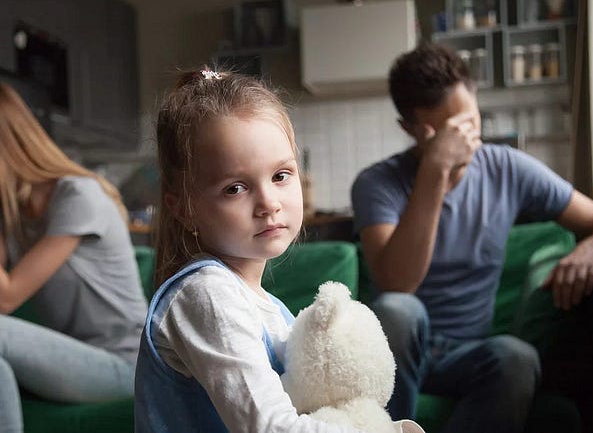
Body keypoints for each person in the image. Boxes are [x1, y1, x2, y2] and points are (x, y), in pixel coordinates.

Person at [351, 43, 593, 433]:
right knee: (398, 308)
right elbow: (399, 283)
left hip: (465, 354)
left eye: (468, 123)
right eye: (446, 132)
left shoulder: (507, 169)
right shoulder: (376, 183)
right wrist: (435, 172)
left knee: (517, 356)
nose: (462, 141)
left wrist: (589, 249)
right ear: (410, 129)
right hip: (397, 351)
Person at [134, 69, 418, 433]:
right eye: (235, 188)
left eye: (281, 175)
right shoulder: (206, 296)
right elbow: (270, 428)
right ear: (184, 207)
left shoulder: (269, 309)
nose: (269, 202)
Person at [0, 77, 148, 433]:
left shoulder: (77, 196)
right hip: (73, 358)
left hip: (128, 365)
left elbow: (0, 299)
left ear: (10, 131)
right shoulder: (3, 216)